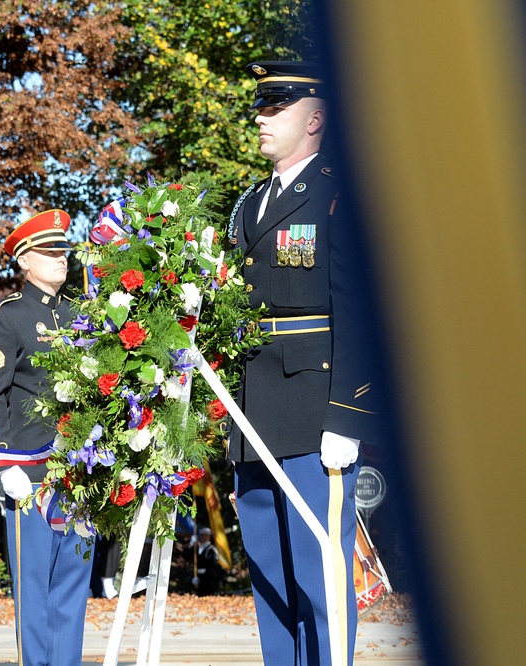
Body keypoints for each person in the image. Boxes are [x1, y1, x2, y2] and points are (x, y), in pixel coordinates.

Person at [226, 61, 379, 665]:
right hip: (255, 410)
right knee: (270, 578)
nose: (261, 117)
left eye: (276, 106)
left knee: (320, 573)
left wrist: (349, 413)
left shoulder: (342, 193)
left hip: (317, 409)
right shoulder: (249, 204)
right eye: (260, 106)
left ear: (315, 117)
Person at [0, 210, 93, 666]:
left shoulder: (83, 316)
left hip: (80, 472)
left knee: (73, 586)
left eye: (63, 249)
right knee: (34, 585)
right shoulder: (8, 319)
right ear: (24, 261)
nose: (62, 258)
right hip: (31, 476)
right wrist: (3, 466)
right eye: (49, 251)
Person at [191, 527, 222, 596]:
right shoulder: (198, 548)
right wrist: (191, 544)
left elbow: (212, 566)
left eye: (206, 535)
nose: (204, 537)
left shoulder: (211, 549)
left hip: (208, 579)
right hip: (198, 577)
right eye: (203, 535)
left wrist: (203, 576)